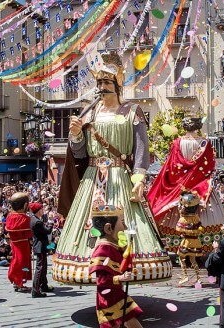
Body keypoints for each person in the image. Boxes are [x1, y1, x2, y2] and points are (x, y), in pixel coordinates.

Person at [53, 52, 171, 284]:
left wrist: (139, 180)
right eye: (99, 83)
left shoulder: (132, 111)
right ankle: (96, 270)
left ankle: (123, 267)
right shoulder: (90, 113)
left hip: (119, 177)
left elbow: (141, 150)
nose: (102, 87)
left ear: (117, 86)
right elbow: (80, 154)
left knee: (122, 225)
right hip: (92, 177)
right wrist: (75, 135)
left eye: (107, 82)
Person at [148, 114, 224, 253]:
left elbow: (172, 165)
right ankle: (204, 245)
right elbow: (209, 166)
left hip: (180, 185)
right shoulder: (205, 143)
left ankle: (179, 245)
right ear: (198, 126)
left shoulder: (177, 142)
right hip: (200, 185)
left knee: (173, 215)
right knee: (212, 214)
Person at [88, 204, 143, 328]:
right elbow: (101, 281)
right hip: (109, 298)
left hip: (116, 294)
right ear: (108, 228)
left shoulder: (113, 246)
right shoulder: (102, 250)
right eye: (122, 222)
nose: (125, 227)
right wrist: (120, 278)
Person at [175, 191, 204, 285]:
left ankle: (185, 275)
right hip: (195, 241)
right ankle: (199, 278)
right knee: (193, 260)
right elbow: (200, 228)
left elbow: (179, 229)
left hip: (186, 241)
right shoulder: (196, 217)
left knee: (181, 257)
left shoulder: (183, 219)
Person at [5, 192, 33, 292]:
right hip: (23, 244)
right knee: (21, 262)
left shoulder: (9, 217)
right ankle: (19, 283)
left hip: (14, 243)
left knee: (16, 261)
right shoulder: (26, 219)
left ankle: (17, 282)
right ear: (25, 205)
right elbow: (30, 234)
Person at [29, 202, 54, 298]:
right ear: (38, 210)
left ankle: (44, 285)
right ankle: (35, 290)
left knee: (43, 267)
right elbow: (47, 231)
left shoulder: (34, 220)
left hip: (39, 246)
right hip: (40, 246)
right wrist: (51, 222)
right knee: (40, 268)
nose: (43, 211)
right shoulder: (37, 222)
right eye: (41, 209)